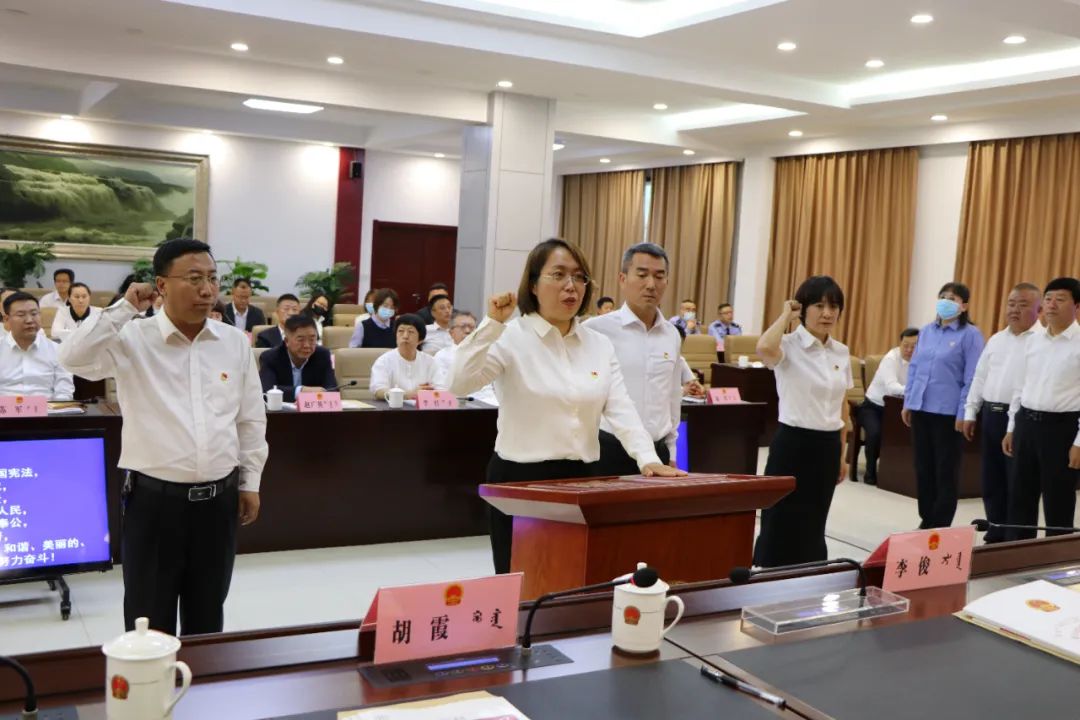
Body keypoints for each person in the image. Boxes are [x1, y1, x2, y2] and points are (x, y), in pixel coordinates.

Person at [58, 238, 267, 636]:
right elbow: (71, 357)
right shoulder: (132, 339)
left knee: (207, 616)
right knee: (149, 621)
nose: (207, 290)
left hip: (218, 503)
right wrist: (124, 308)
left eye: (212, 278)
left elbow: (250, 419)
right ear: (161, 285)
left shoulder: (232, 343)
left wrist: (250, 481)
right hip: (155, 504)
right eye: (194, 278)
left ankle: (201, 677)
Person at [450, 238, 684, 574]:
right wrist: (492, 324)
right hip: (521, 479)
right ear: (533, 284)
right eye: (558, 275)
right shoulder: (510, 336)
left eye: (578, 277)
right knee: (522, 579)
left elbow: (621, 409)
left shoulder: (598, 344)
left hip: (581, 478)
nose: (570, 286)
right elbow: (459, 383)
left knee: (573, 576)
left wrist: (648, 458)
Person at [754, 276, 852, 567]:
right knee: (779, 515)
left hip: (827, 445)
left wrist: (842, 454)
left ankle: (809, 574)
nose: (827, 313)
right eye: (819, 306)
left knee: (815, 516)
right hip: (793, 442)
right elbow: (763, 348)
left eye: (833, 307)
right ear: (803, 308)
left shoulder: (841, 351)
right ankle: (767, 572)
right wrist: (786, 315)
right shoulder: (787, 345)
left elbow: (842, 406)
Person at [585, 243, 683, 475]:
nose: (651, 284)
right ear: (622, 278)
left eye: (659, 276)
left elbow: (672, 396)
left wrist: (672, 450)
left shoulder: (671, 334)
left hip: (658, 451)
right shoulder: (595, 330)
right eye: (642, 275)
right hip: (608, 450)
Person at [962, 283, 1042, 542]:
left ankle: (1017, 539)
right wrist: (970, 411)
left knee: (1019, 483)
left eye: (1023, 304)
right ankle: (996, 531)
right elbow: (980, 377)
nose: (1014, 310)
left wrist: (1012, 425)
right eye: (1011, 303)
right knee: (992, 478)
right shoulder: (997, 339)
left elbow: (1027, 386)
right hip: (991, 415)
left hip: (1019, 418)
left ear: (1039, 309)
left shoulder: (1041, 341)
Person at [902, 282, 985, 529]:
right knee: (923, 467)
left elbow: (972, 377)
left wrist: (964, 412)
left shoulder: (970, 335)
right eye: (943, 296)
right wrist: (908, 402)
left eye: (953, 298)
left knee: (945, 471)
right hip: (921, 409)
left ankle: (940, 524)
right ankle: (926, 519)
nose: (946, 301)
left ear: (964, 306)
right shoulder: (926, 331)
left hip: (948, 414)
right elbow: (915, 368)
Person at [1003, 277, 1080, 540]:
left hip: (1061, 429)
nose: (1051, 305)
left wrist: (1079, 443)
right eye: (1048, 299)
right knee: (1020, 495)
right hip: (1026, 424)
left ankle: (1055, 558)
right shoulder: (1033, 341)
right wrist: (1012, 427)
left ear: (1076, 306)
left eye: (1060, 299)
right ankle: (1018, 553)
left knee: (1058, 500)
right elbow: (1020, 386)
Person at [857, 327, 919, 486]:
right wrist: (916, 390)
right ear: (900, 344)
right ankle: (870, 473)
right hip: (873, 407)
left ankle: (898, 473)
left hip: (898, 409)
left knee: (913, 433)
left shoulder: (921, 360)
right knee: (875, 433)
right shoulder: (891, 358)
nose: (909, 350)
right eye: (905, 345)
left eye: (914, 346)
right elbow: (892, 388)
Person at [0, 292, 74, 400]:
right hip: (5, 409)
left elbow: (64, 391)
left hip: (47, 409)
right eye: (21, 315)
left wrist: (56, 408)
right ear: (6, 319)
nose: (29, 320)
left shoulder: (58, 350)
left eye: (34, 314)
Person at [259, 314, 337, 402]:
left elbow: (332, 389)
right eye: (300, 340)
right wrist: (300, 391)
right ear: (286, 341)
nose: (307, 345)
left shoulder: (322, 355)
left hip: (312, 409)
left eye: (312, 339)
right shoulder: (270, 357)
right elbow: (267, 391)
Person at [433, 311, 498, 405]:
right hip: (459, 402)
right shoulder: (442, 356)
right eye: (462, 327)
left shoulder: (487, 352)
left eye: (472, 327)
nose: (467, 331)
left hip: (489, 400)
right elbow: (440, 387)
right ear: (451, 332)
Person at [369, 314, 436, 400]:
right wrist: (408, 395)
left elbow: (439, 389)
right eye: (401, 331)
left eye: (411, 332)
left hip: (423, 407)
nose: (405, 336)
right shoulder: (384, 360)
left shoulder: (430, 361)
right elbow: (378, 391)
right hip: (393, 407)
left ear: (420, 340)